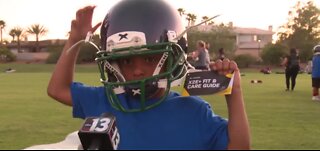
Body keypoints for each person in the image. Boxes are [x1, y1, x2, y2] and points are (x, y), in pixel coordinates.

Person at [47, 0, 250, 149]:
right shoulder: (106, 100)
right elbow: (57, 89)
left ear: (172, 58)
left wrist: (234, 92)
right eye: (126, 61)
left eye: (150, 59)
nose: (137, 70)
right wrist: (75, 39)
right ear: (112, 63)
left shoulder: (193, 111)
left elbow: (239, 147)